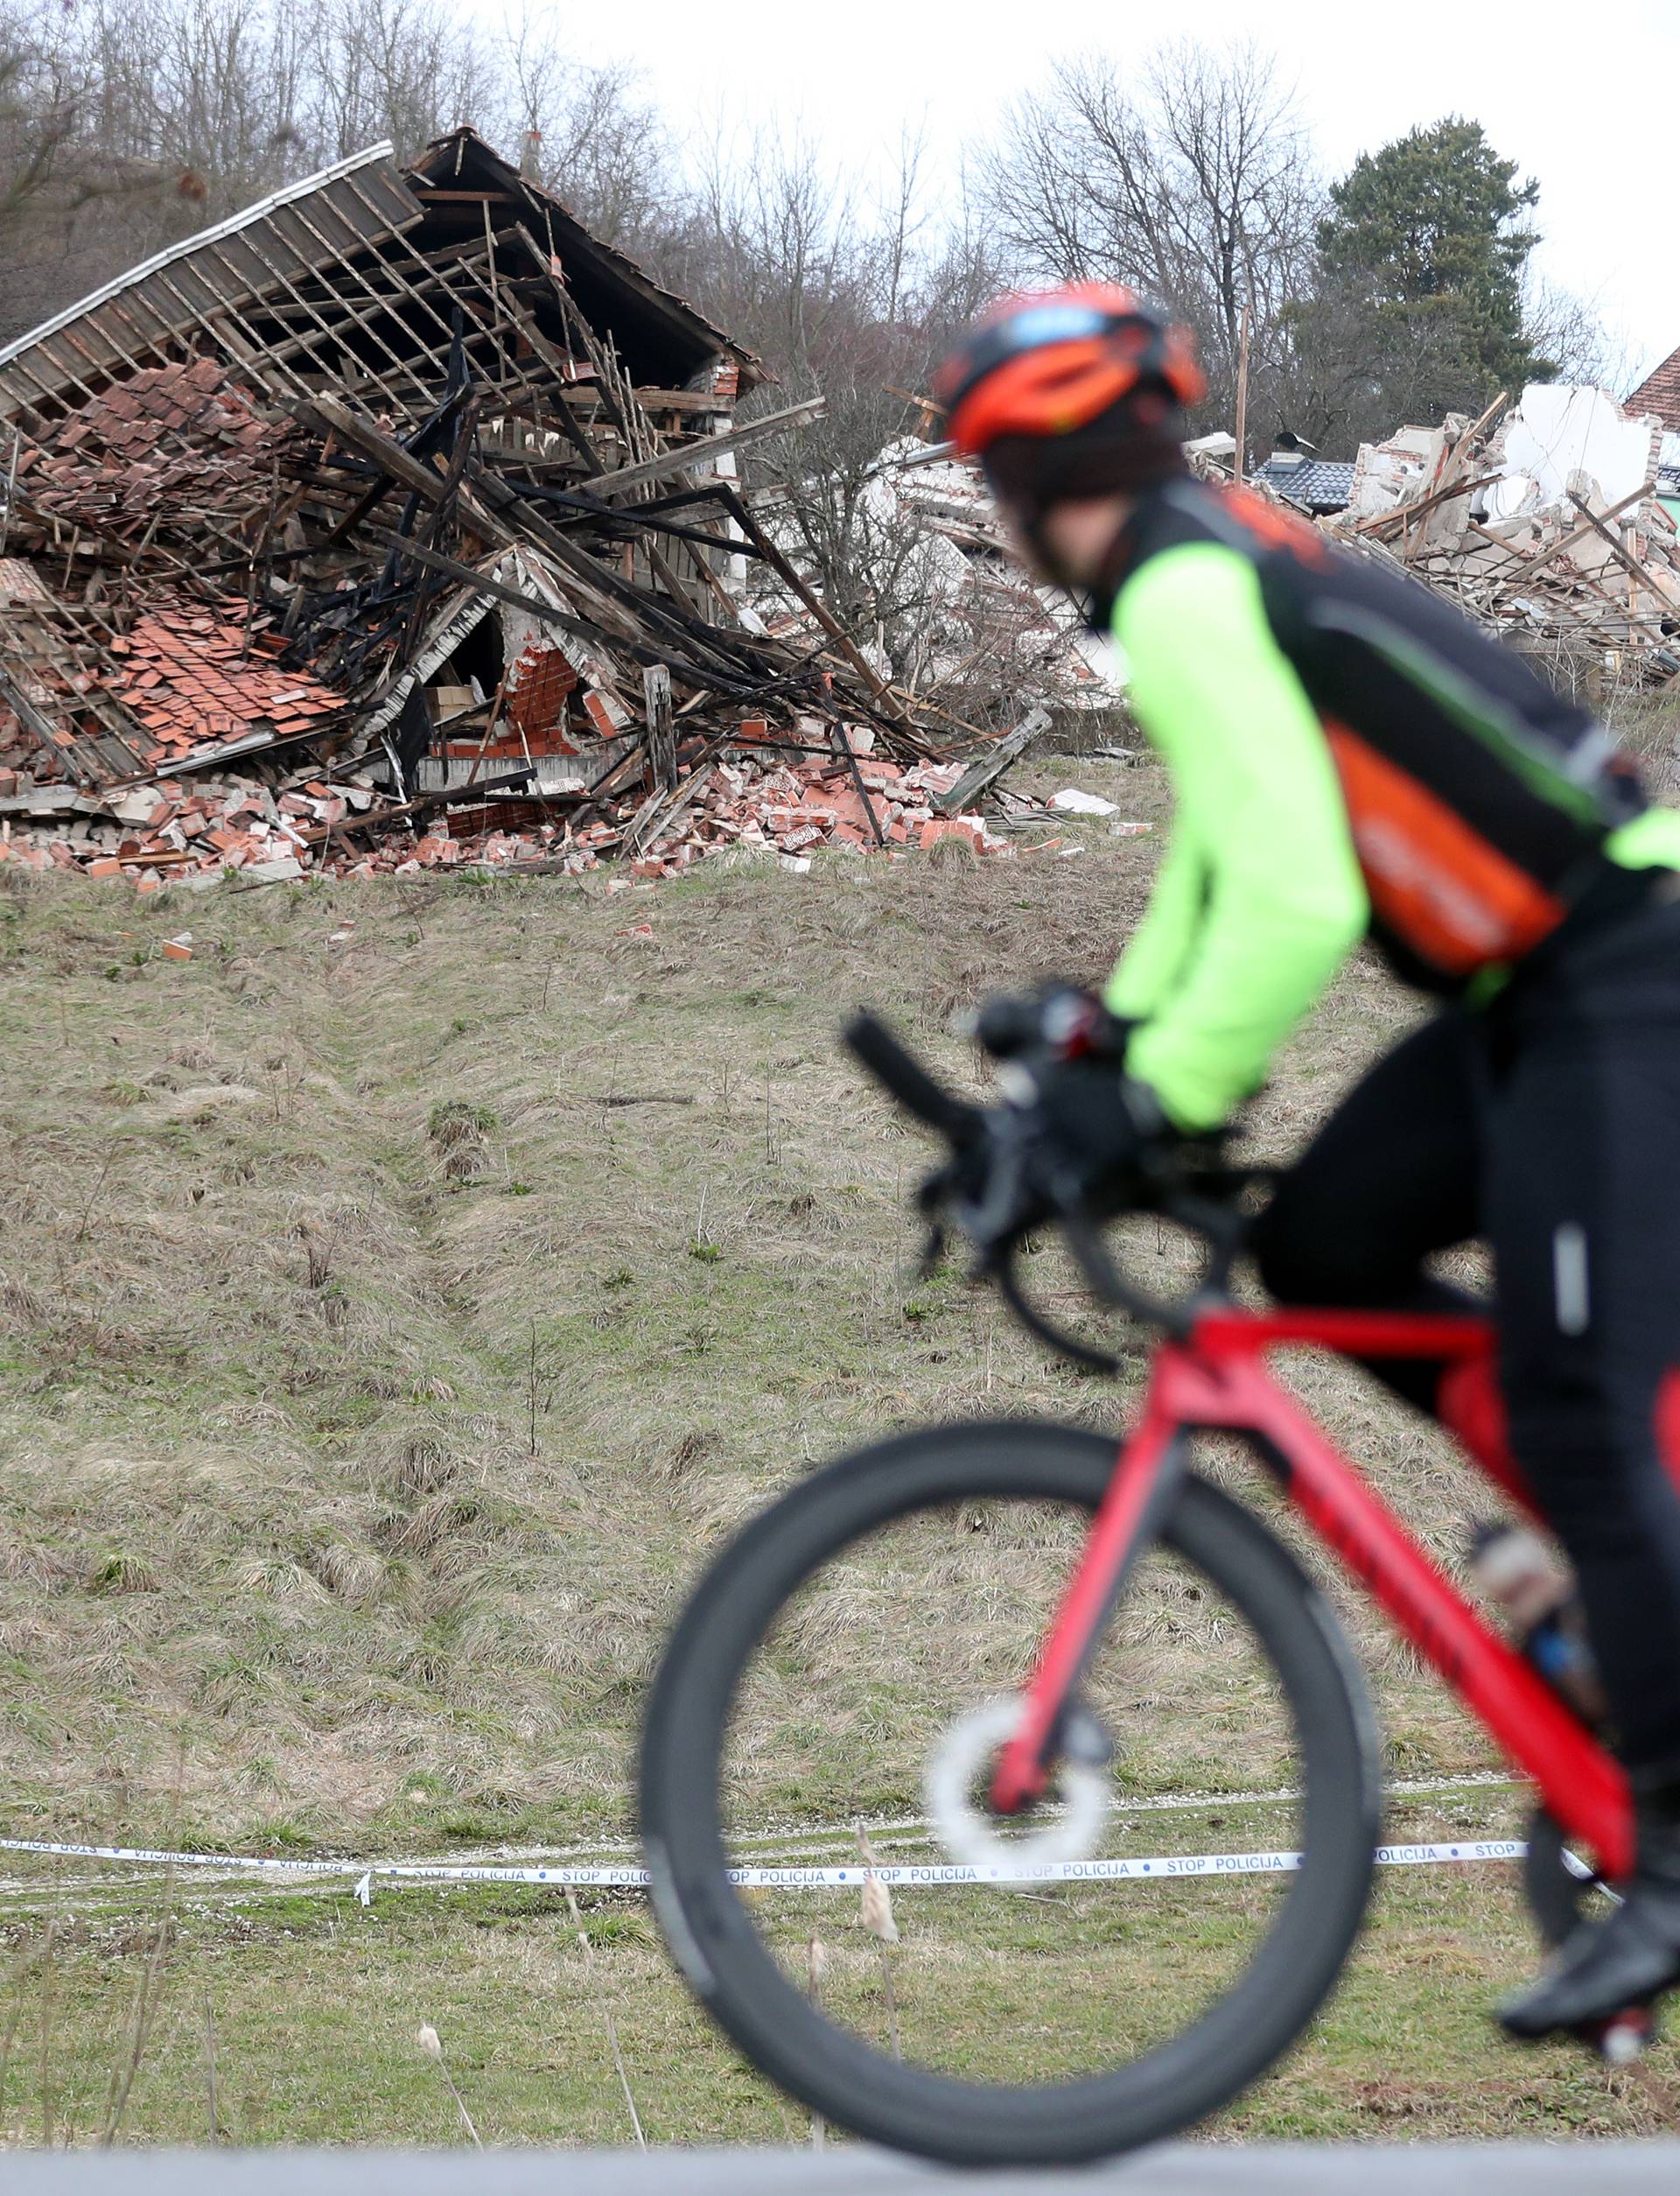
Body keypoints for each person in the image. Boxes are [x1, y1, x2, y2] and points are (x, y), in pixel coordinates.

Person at [933, 284, 1680, 2039]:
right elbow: (1230, 844)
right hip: (1531, 977)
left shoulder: (1189, 586)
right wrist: (1118, 1051)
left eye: (993, 483)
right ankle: (1592, 1565)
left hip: (1622, 970)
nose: (1000, 523)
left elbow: (1291, 895)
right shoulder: (1198, 562)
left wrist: (1163, 1091)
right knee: (1329, 1244)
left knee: (1584, 1391)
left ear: (1040, 475)